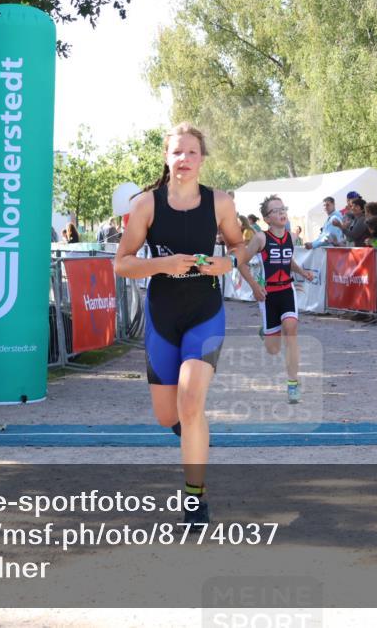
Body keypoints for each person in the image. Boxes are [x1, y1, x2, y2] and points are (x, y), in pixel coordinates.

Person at [114, 123, 247, 530]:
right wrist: (162, 265)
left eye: (191, 152)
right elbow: (121, 262)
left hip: (204, 310)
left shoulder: (220, 202)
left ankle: (194, 500)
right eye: (177, 152)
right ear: (166, 158)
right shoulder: (146, 205)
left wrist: (230, 262)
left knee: (191, 403)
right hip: (162, 314)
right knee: (166, 415)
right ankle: (195, 434)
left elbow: (241, 246)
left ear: (202, 159)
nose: (184, 160)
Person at [236, 195, 315, 404]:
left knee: (291, 330)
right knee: (273, 349)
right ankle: (266, 332)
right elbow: (241, 263)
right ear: (267, 218)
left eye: (283, 209)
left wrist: (302, 272)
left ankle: (292, 384)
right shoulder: (260, 238)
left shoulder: (290, 236)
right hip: (268, 295)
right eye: (276, 210)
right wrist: (254, 286)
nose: (282, 213)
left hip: (287, 290)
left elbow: (287, 260)